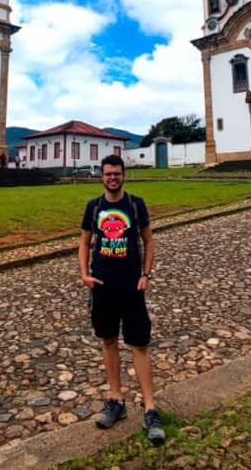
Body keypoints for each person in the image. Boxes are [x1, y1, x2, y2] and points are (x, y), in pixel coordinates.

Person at [78, 154, 164, 444]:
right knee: (108, 341)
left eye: (116, 173)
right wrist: (84, 274)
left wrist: (146, 274)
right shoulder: (94, 207)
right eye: (108, 174)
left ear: (124, 175)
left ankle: (150, 408)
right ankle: (116, 400)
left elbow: (149, 240)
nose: (112, 178)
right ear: (101, 176)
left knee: (139, 344)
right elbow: (84, 242)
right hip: (102, 285)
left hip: (131, 286)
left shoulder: (135, 205)